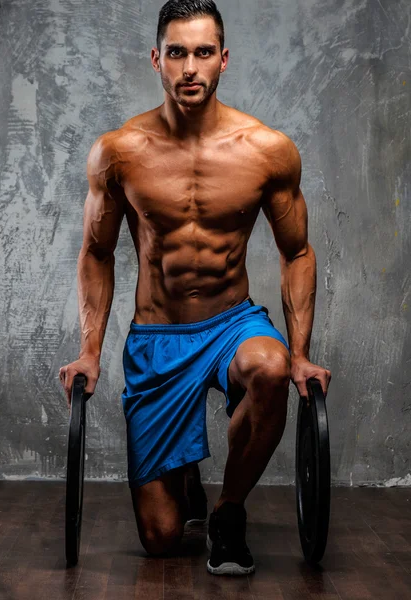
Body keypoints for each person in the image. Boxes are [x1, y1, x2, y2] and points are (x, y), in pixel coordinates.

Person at [59, 0, 331, 576]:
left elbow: (297, 252)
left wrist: (302, 353)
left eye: (203, 52)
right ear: (157, 59)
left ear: (223, 60)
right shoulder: (120, 152)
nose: (190, 67)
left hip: (232, 322)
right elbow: (97, 252)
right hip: (158, 336)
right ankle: (186, 478)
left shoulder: (266, 150)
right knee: (160, 540)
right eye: (177, 53)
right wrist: (89, 349)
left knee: (272, 367)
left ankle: (229, 512)